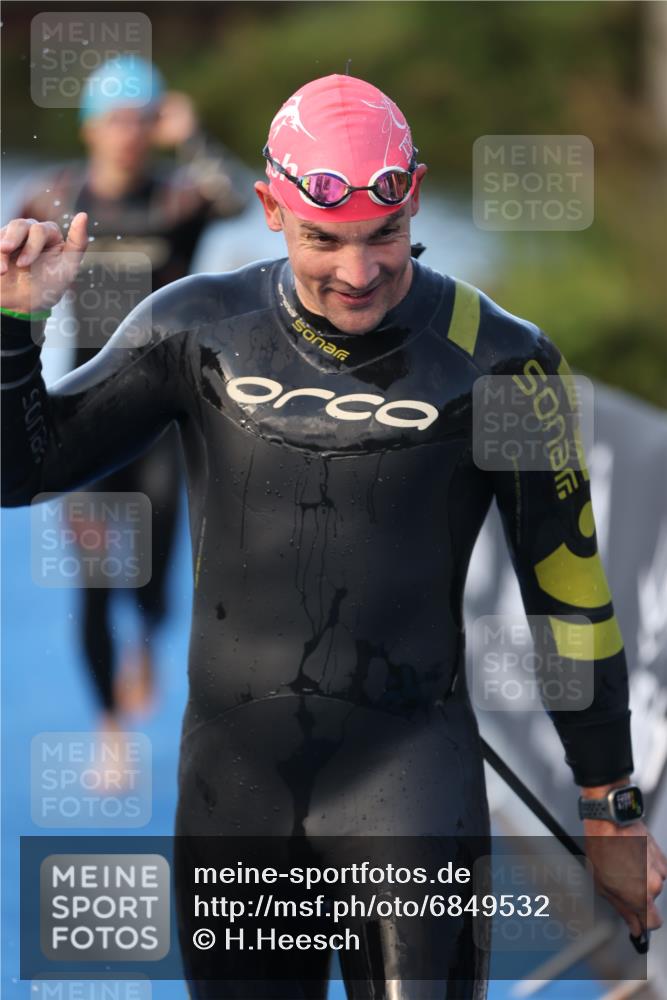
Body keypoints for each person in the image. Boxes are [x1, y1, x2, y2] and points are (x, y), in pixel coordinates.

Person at [1, 73, 665, 998]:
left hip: (409, 782)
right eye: (324, 239)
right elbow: (20, 473)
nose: (358, 274)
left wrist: (611, 809)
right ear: (272, 208)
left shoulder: (501, 360)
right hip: (234, 790)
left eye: (383, 236)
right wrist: (12, 329)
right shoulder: (198, 326)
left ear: (415, 197)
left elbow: (569, 595)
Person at [13, 55, 249, 735]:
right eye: (115, 120)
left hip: (164, 413)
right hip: (84, 405)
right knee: (92, 576)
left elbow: (243, 201)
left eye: (142, 120)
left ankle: (145, 641)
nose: (129, 134)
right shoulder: (52, 197)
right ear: (90, 128)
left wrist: (194, 136)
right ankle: (109, 724)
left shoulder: (180, 198)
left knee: (152, 574)